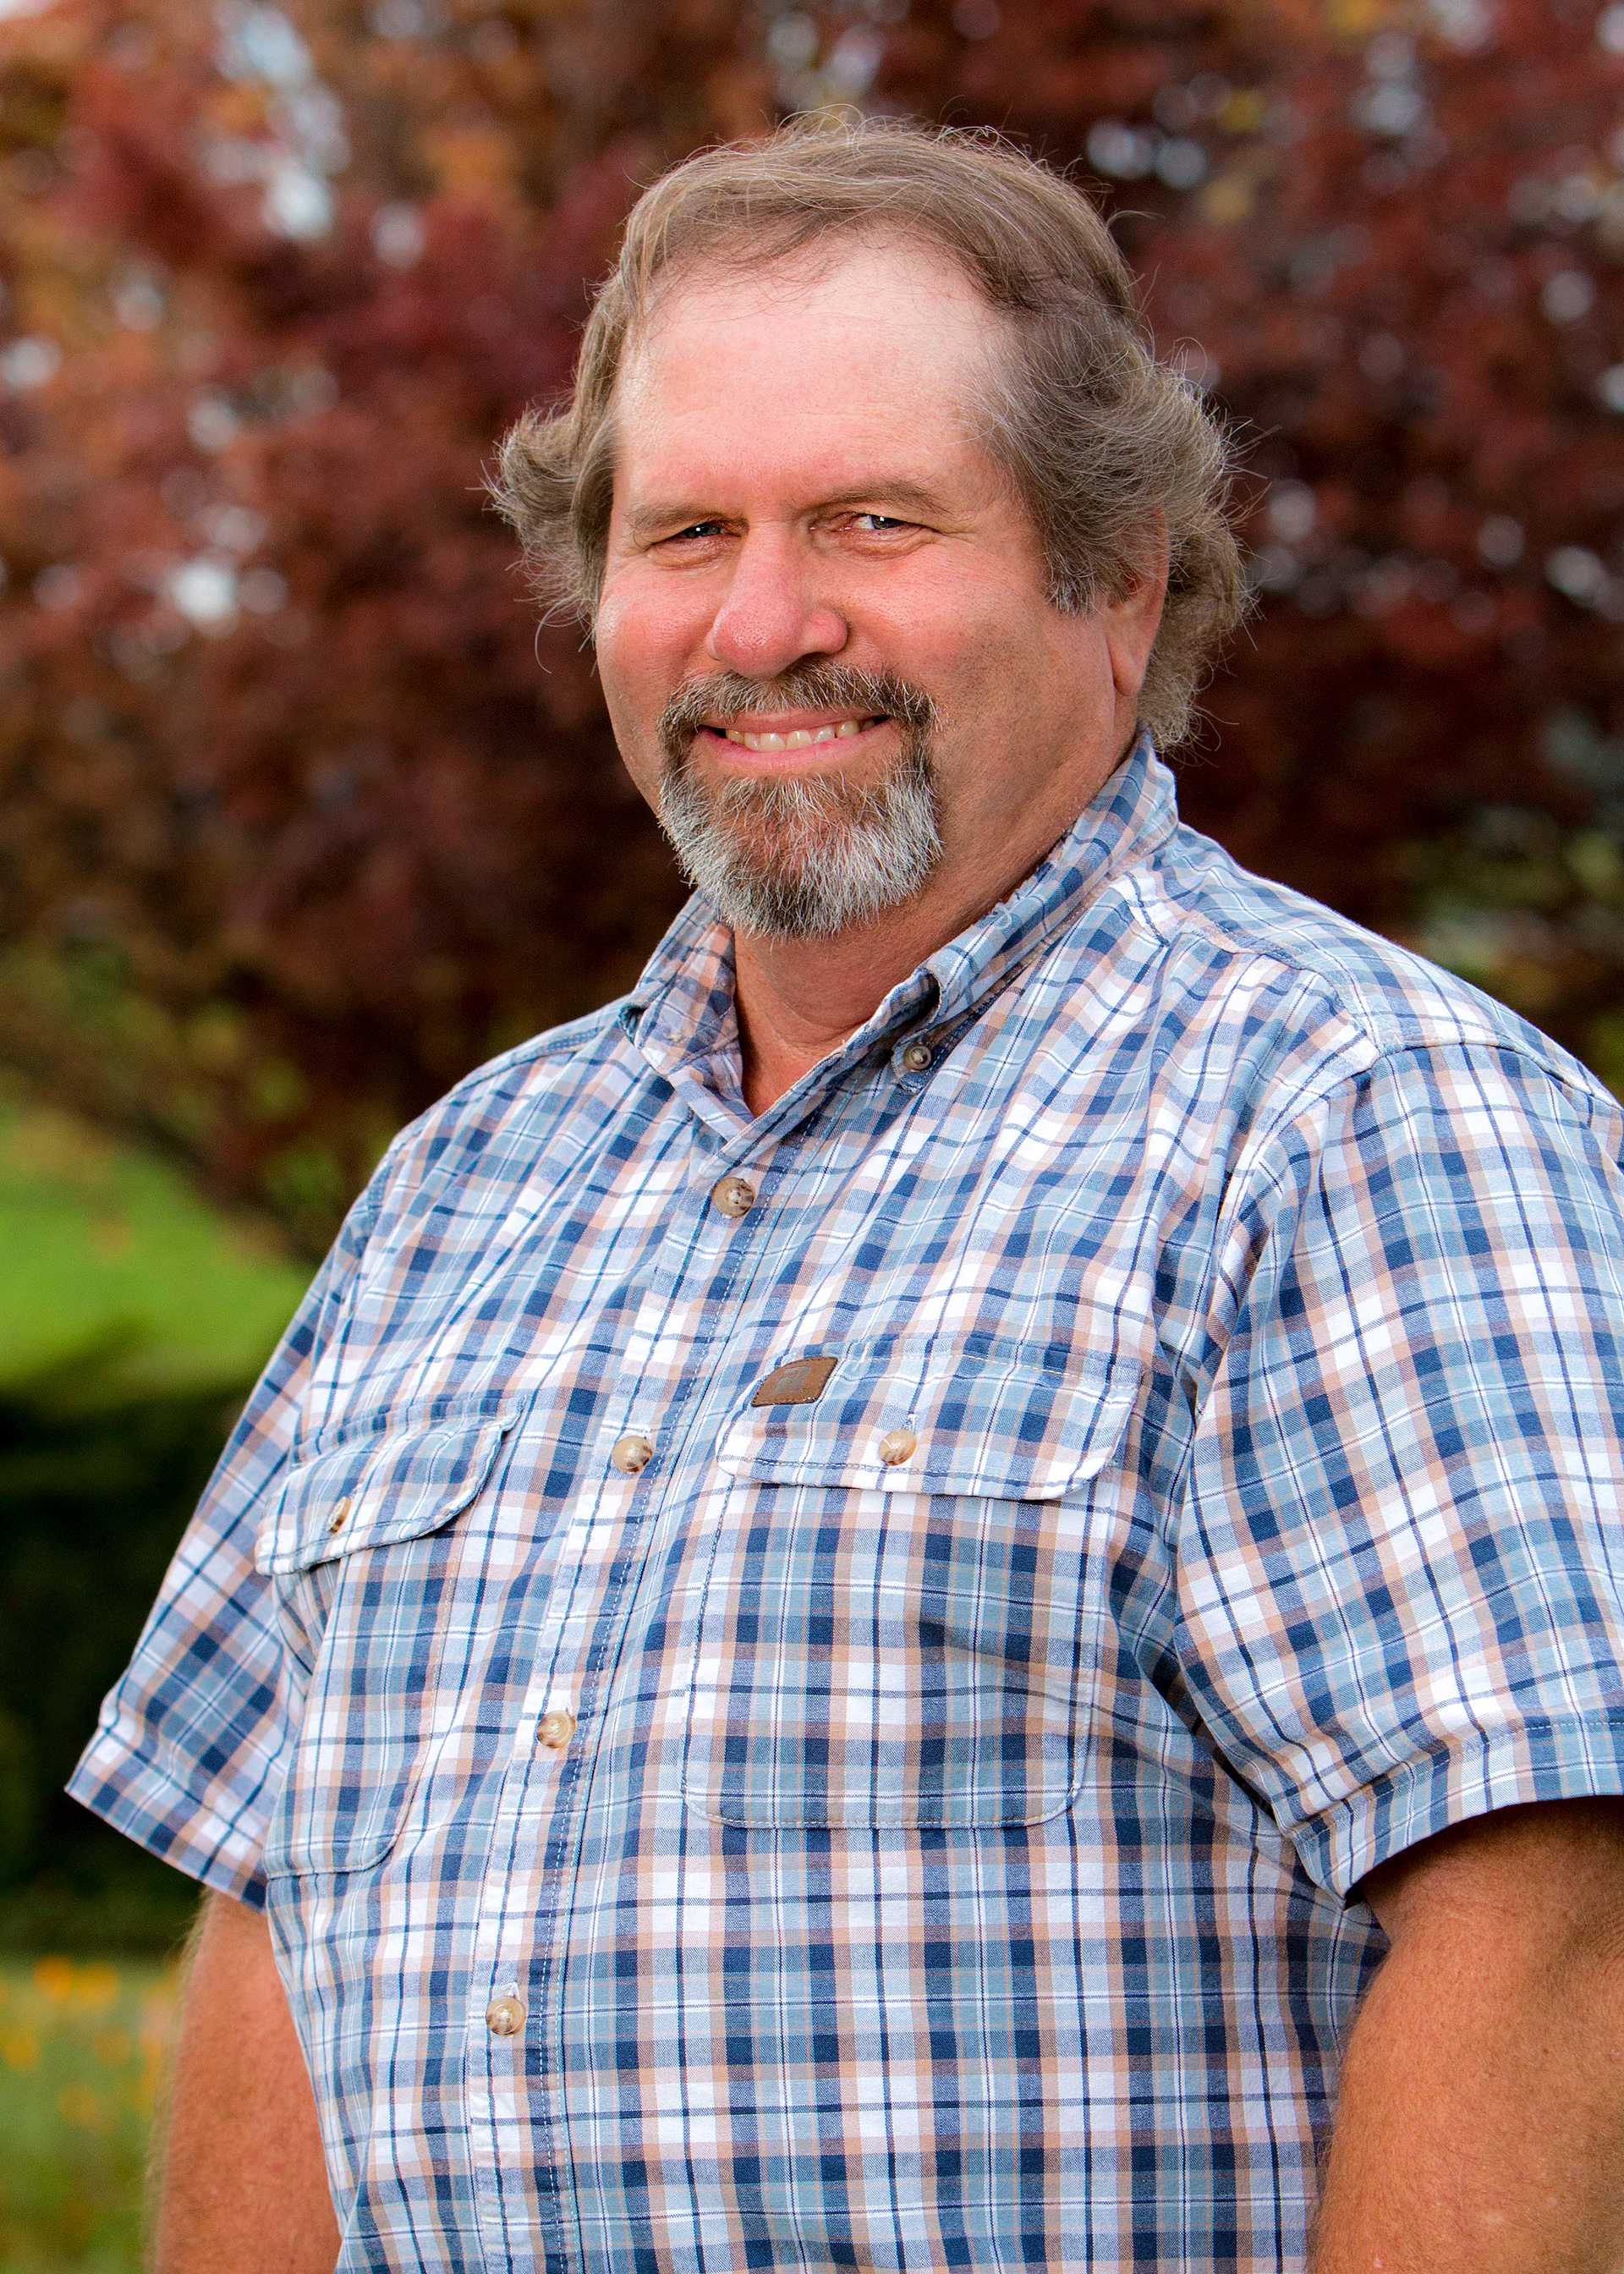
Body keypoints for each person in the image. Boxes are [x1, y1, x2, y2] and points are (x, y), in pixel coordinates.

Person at [73, 120, 1624, 2274]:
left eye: (873, 521)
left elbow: (1550, 1927)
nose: (764, 623)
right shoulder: (462, 1187)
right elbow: (278, 1903)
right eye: (686, 531)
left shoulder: (1358, 1126)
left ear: (1119, 577)